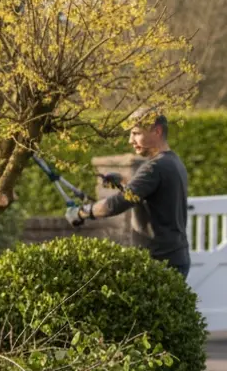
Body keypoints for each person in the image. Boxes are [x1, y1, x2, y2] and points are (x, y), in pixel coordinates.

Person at [66, 110, 191, 278]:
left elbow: (116, 204)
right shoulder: (173, 161)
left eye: (136, 133)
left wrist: (83, 212)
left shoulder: (154, 168)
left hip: (160, 262)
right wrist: (124, 182)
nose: (130, 140)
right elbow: (152, 195)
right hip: (175, 256)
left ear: (157, 131)